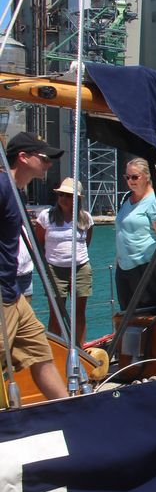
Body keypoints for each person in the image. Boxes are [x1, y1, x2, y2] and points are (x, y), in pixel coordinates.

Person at [0, 132, 68, 399]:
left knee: (40, 352)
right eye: (44, 157)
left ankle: (69, 410)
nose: (49, 162)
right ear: (23, 157)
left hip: (12, 293)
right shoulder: (3, 186)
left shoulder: (16, 191)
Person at [34, 178, 93, 345]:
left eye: (68, 195)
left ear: (77, 198)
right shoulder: (46, 216)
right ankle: (56, 351)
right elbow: (39, 244)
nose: (63, 199)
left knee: (79, 313)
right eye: (61, 195)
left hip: (81, 268)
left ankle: (80, 350)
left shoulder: (85, 218)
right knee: (56, 313)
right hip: (55, 269)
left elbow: (86, 242)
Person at [114, 158, 156, 310]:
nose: (130, 180)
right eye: (127, 177)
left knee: (148, 315)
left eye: (135, 177)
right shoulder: (126, 199)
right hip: (125, 269)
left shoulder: (155, 201)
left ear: (147, 176)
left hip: (149, 268)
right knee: (127, 316)